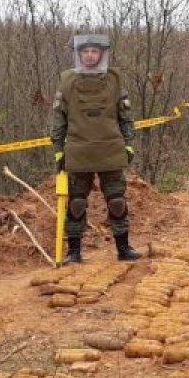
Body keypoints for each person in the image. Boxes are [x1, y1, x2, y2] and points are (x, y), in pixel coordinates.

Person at [50, 34, 141, 263]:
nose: (90, 55)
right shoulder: (67, 80)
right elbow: (59, 119)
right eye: (85, 51)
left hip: (110, 149)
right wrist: (59, 149)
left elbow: (125, 117)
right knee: (77, 203)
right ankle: (74, 251)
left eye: (94, 51)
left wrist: (128, 145)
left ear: (102, 53)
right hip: (78, 151)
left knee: (117, 201)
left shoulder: (114, 80)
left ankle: (123, 248)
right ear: (79, 53)